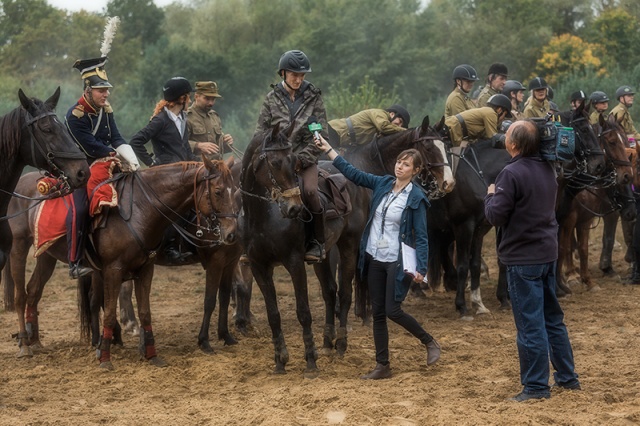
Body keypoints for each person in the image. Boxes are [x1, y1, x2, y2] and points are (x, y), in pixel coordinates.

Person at [314, 134, 441, 380]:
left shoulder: (416, 198)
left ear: (415, 170)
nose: (399, 166)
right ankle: (382, 365)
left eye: (406, 164)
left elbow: (422, 237)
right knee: (378, 313)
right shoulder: (383, 183)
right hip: (374, 257)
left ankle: (429, 341)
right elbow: (351, 172)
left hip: (397, 259)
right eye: (399, 162)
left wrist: (421, 268)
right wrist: (328, 149)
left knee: (393, 310)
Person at [484, 119, 581, 401]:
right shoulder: (548, 169)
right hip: (547, 254)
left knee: (530, 325)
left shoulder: (510, 174)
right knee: (553, 320)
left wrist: (489, 196)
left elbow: (495, 216)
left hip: (522, 259)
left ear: (513, 144)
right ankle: (568, 378)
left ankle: (537, 387)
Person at [65, 56, 139, 279]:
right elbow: (91, 146)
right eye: (101, 90)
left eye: (107, 89)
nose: (106, 94)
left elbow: (115, 136)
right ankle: (74, 262)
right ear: (87, 90)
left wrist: (130, 157)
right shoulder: (74, 115)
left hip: (109, 164)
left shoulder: (106, 110)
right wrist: (115, 154)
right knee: (78, 210)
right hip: (81, 171)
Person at [254, 49, 328, 262]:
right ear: (283, 73)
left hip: (304, 161)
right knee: (249, 191)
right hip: (277, 162)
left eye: (303, 75)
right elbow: (261, 133)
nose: (299, 79)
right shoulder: (271, 98)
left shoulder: (314, 97)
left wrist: (300, 159)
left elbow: (320, 134)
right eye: (295, 74)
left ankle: (318, 242)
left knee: (312, 192)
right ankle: (250, 241)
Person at [130, 76, 198, 263]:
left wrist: (198, 165)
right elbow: (136, 141)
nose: (190, 99)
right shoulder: (160, 120)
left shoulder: (183, 117)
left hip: (183, 172)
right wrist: (152, 164)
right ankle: (167, 248)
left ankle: (189, 243)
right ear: (181, 98)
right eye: (188, 96)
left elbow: (184, 147)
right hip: (166, 176)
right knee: (176, 209)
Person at [187, 81, 234, 160]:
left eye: (213, 99)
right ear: (196, 96)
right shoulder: (187, 117)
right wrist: (198, 146)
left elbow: (218, 148)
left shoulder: (214, 116)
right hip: (196, 167)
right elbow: (178, 144)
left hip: (217, 165)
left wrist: (226, 142)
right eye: (207, 98)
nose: (211, 103)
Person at [444, 94, 512, 147]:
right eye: (505, 115)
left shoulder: (486, 111)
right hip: (452, 129)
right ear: (499, 110)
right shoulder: (491, 113)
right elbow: (492, 137)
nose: (503, 118)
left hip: (452, 128)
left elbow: (483, 136)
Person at [327, 105, 409, 148]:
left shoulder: (382, 131)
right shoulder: (380, 113)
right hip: (334, 130)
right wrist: (405, 131)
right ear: (392, 114)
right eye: (400, 121)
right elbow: (384, 126)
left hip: (340, 139)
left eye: (402, 125)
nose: (400, 125)